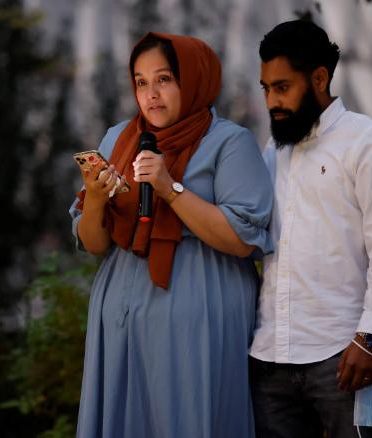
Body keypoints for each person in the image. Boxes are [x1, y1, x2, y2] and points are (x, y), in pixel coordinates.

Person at [70, 32, 273, 437]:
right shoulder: (118, 139)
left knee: (193, 417)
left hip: (199, 305)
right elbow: (95, 243)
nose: (151, 94)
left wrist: (170, 189)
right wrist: (94, 199)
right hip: (122, 309)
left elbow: (243, 239)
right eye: (141, 82)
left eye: (164, 79)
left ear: (193, 79)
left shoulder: (230, 143)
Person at [249, 20, 372, 438]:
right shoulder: (274, 149)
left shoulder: (368, 140)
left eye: (282, 87)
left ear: (319, 78)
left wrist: (370, 339)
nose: (272, 101)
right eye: (266, 88)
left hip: (344, 356)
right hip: (270, 360)